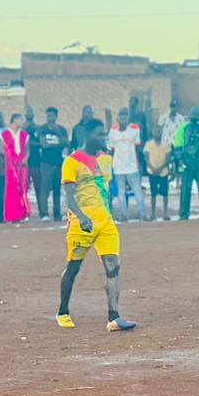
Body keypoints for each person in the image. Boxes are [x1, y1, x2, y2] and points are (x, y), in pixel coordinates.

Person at [55, 118, 136, 332]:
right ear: (87, 135)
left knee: (113, 267)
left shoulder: (107, 159)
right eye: (99, 134)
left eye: (104, 134)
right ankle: (63, 311)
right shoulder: (71, 162)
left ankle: (114, 316)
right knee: (73, 267)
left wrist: (110, 209)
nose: (103, 138)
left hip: (105, 223)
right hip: (81, 224)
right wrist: (81, 216)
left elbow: (106, 189)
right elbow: (69, 197)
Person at [173, 106, 199, 220]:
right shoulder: (184, 127)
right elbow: (178, 144)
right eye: (193, 114)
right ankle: (184, 213)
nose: (195, 116)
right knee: (185, 189)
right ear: (189, 115)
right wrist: (179, 159)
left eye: (197, 114)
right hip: (187, 161)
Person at [106, 107, 145, 222]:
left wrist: (139, 164)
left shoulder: (134, 129)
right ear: (117, 118)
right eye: (121, 115)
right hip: (118, 167)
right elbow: (112, 149)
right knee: (121, 193)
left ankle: (142, 213)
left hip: (132, 166)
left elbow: (138, 146)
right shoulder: (113, 131)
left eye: (125, 115)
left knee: (137, 190)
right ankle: (124, 214)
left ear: (128, 118)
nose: (123, 118)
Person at [37, 106, 69, 221]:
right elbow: (44, 144)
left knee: (57, 189)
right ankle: (44, 214)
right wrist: (59, 144)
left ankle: (57, 214)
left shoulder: (62, 129)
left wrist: (58, 134)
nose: (49, 118)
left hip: (58, 162)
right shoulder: (42, 129)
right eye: (48, 116)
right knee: (45, 188)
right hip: (46, 162)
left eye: (51, 116)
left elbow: (67, 144)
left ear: (56, 117)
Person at [2, 113, 31, 223]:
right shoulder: (5, 134)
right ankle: (12, 215)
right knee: (12, 188)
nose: (22, 122)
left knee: (23, 187)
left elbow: (27, 149)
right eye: (20, 119)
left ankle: (24, 212)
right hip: (10, 165)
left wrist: (26, 158)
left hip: (22, 164)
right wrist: (10, 159)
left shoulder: (24, 134)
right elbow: (2, 149)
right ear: (14, 120)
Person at [144, 124, 171, 221]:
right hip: (152, 171)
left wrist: (159, 168)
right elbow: (146, 158)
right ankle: (153, 213)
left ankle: (165, 213)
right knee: (153, 194)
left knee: (165, 194)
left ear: (162, 132)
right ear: (152, 132)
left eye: (159, 131)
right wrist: (152, 168)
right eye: (155, 131)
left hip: (163, 171)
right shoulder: (148, 144)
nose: (157, 133)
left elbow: (168, 159)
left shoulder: (166, 143)